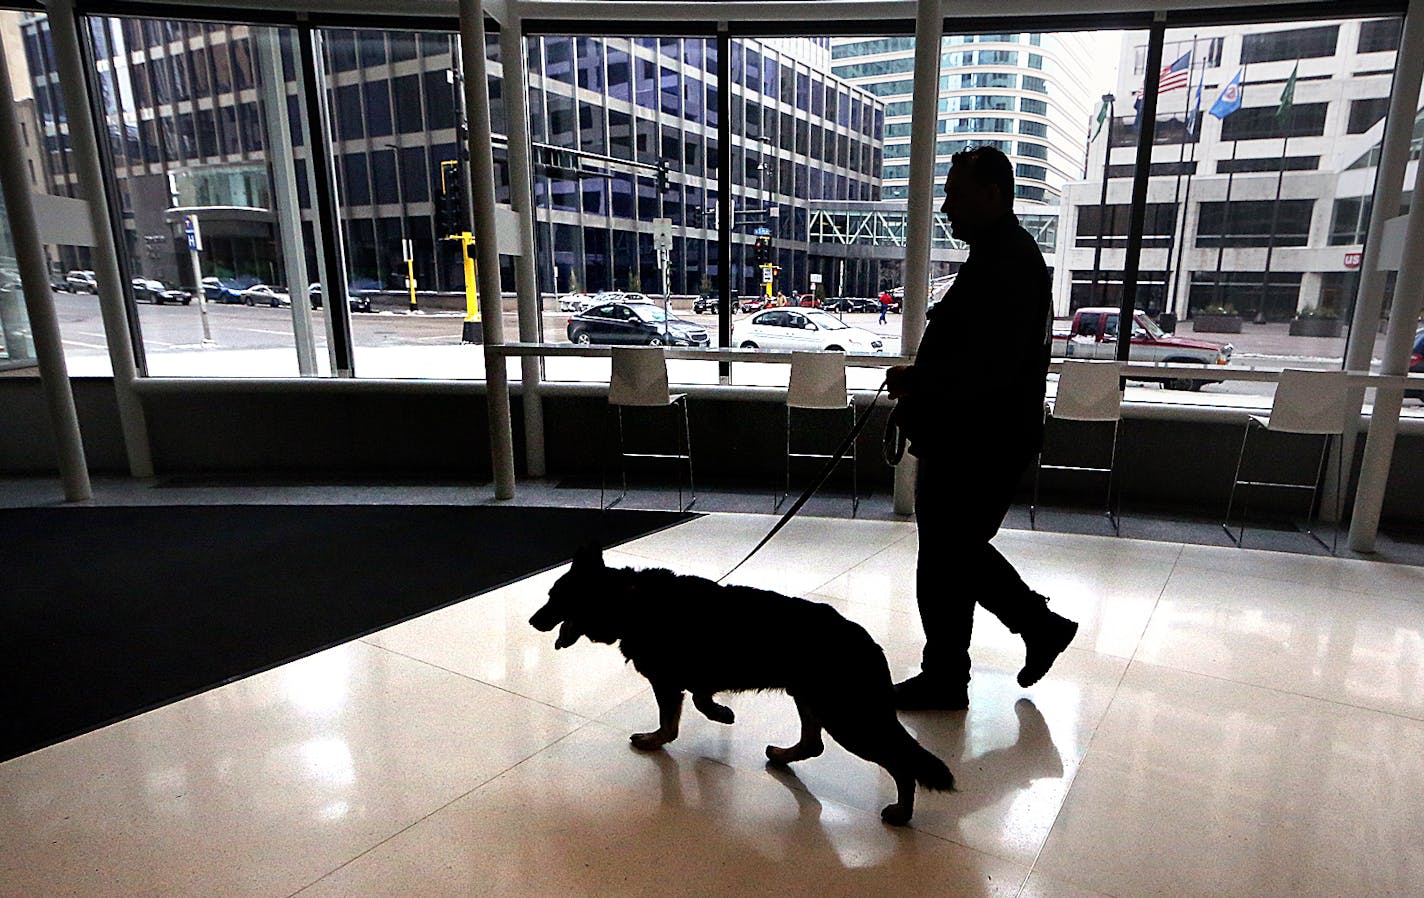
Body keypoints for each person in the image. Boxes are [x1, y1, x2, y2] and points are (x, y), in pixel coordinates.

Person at [886, 147, 1078, 712]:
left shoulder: (1008, 263)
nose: (946, 206)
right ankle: (1015, 638)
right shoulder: (1000, 256)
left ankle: (963, 667)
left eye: (956, 194)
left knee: (949, 554)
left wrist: (920, 386)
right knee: (953, 553)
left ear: (991, 195)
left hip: (977, 441)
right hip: (976, 436)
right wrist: (922, 380)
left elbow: (988, 370)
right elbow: (976, 358)